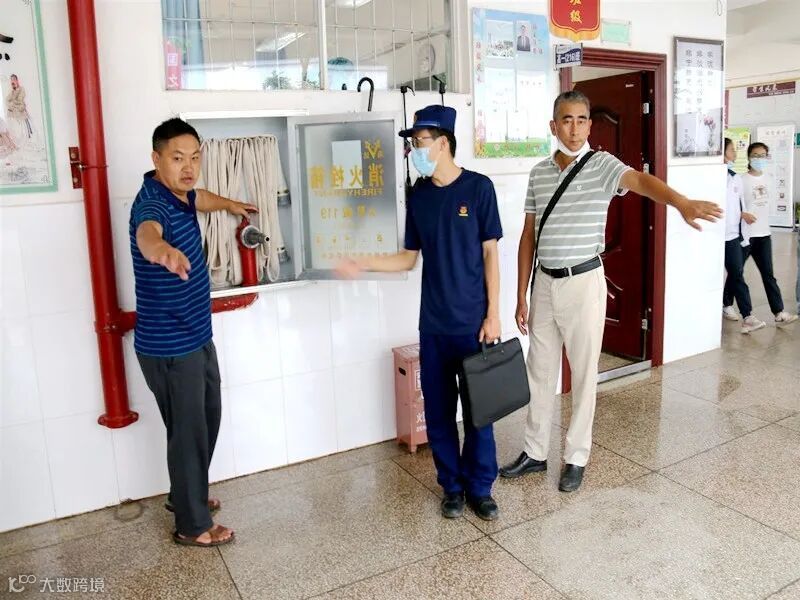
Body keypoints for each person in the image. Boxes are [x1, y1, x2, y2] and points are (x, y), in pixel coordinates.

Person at [500, 91, 722, 492]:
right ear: (553, 125)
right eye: (566, 120)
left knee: (584, 372)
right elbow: (529, 235)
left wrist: (680, 202)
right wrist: (521, 294)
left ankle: (576, 457)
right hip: (544, 283)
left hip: (584, 282)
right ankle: (534, 452)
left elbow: (640, 181)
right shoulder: (538, 173)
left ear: (590, 124)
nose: (574, 128)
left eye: (581, 120)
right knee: (539, 371)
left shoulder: (602, 165)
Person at [337, 105, 503, 521]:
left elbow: (490, 254)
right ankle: (452, 487)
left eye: (420, 142)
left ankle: (480, 488)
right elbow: (408, 258)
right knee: (440, 413)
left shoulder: (479, 189)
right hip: (433, 325)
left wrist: (493, 314)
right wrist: (363, 262)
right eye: (412, 144)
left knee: (479, 414)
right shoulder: (421, 198)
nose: (414, 150)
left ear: (443, 143)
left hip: (473, 325)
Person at [131, 117, 257, 547]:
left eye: (195, 157)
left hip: (196, 334)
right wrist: (162, 251)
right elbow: (147, 234)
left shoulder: (180, 193)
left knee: (206, 418)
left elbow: (199, 197)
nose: (188, 167)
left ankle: (185, 494)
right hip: (169, 344)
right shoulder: (151, 204)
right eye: (177, 158)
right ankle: (192, 524)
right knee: (188, 433)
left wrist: (231, 204)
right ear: (157, 159)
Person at [739, 142, 798, 326]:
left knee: (768, 274)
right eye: (755, 155)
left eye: (762, 155)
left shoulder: (769, 179)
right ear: (749, 157)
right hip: (745, 235)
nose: (759, 159)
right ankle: (726, 304)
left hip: (764, 234)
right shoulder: (741, 180)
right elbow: (733, 205)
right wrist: (742, 214)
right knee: (736, 273)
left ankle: (779, 312)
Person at [721, 137, 764, 333]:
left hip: (731, 236)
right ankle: (724, 305)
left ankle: (748, 316)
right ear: (722, 153)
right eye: (732, 150)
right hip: (713, 236)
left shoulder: (735, 178)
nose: (735, 154)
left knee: (737, 274)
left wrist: (743, 218)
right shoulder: (710, 177)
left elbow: (739, 206)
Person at [5, 74, 33, 143]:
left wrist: (12, 102)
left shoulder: (21, 89)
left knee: (25, 131)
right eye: (11, 80)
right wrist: (12, 101)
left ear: (17, 80)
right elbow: (7, 100)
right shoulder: (12, 91)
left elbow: (20, 100)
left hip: (21, 112)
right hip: (15, 113)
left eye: (14, 79)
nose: (12, 81)